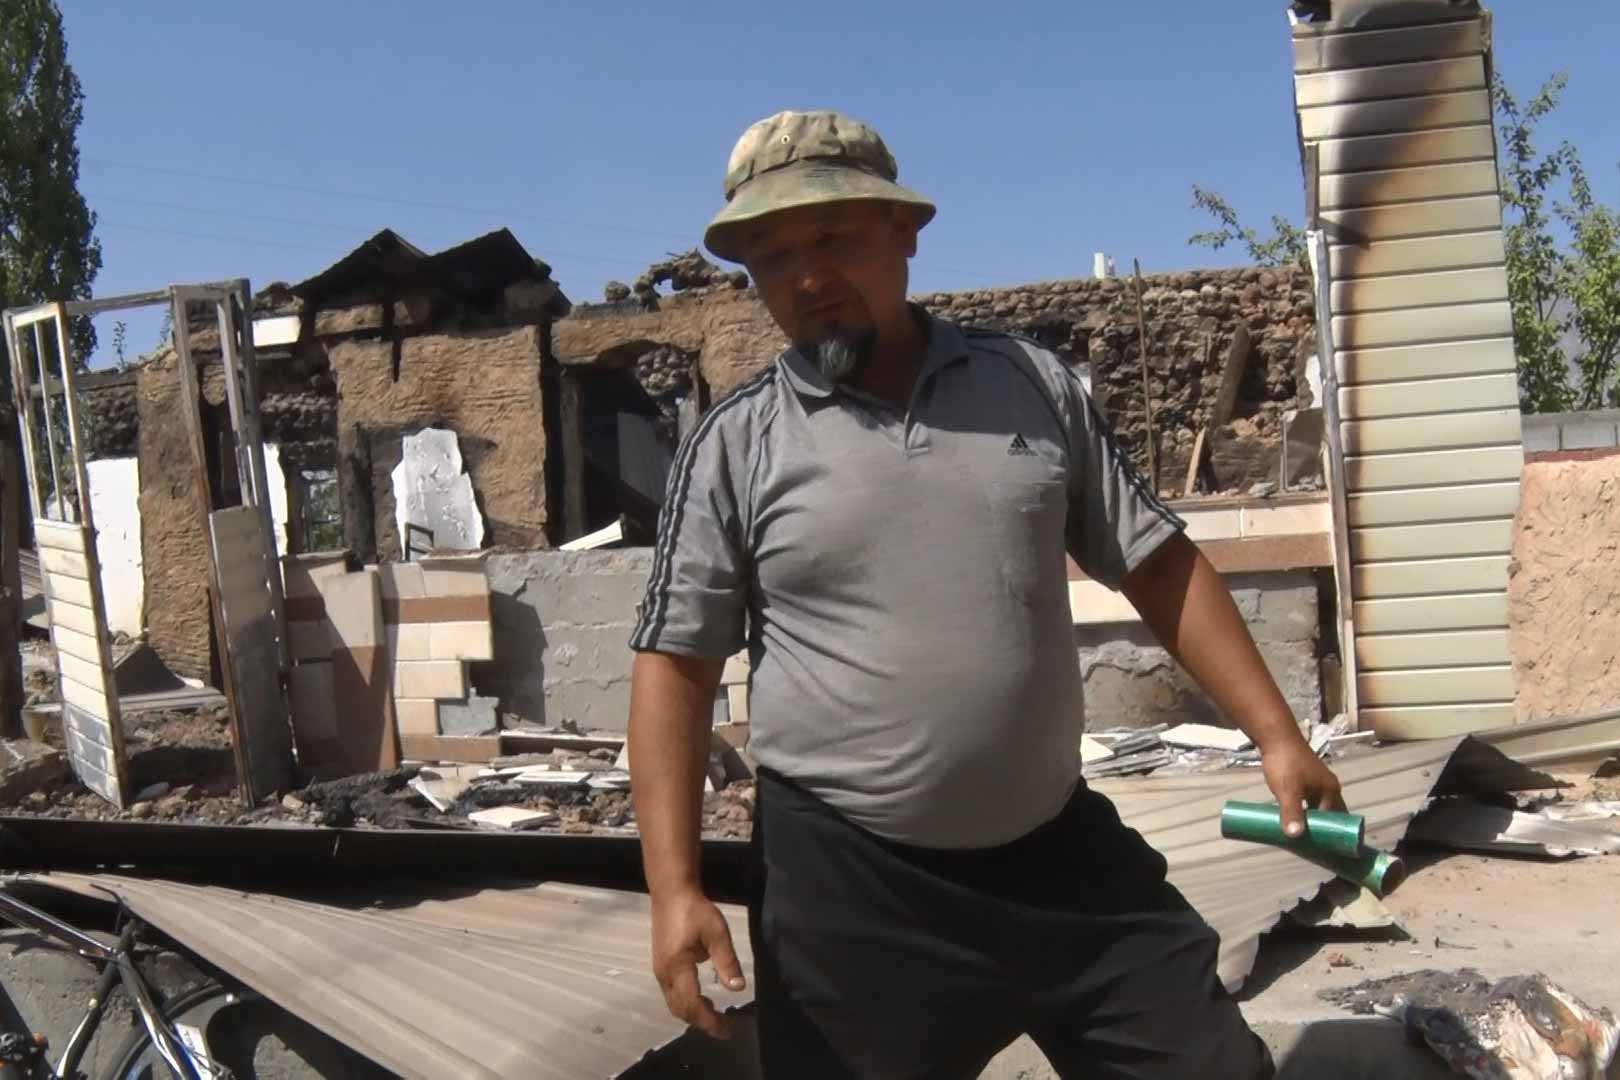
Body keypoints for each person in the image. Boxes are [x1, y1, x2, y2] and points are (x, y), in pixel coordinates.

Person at [626, 108, 1345, 1079]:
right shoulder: (737, 445)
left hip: (1059, 857)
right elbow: (676, 663)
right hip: (852, 893)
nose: (805, 277)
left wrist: (1276, 736)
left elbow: (1155, 563)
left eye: (832, 238)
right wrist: (674, 886)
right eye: (772, 256)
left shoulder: (1032, 391)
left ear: (903, 231)